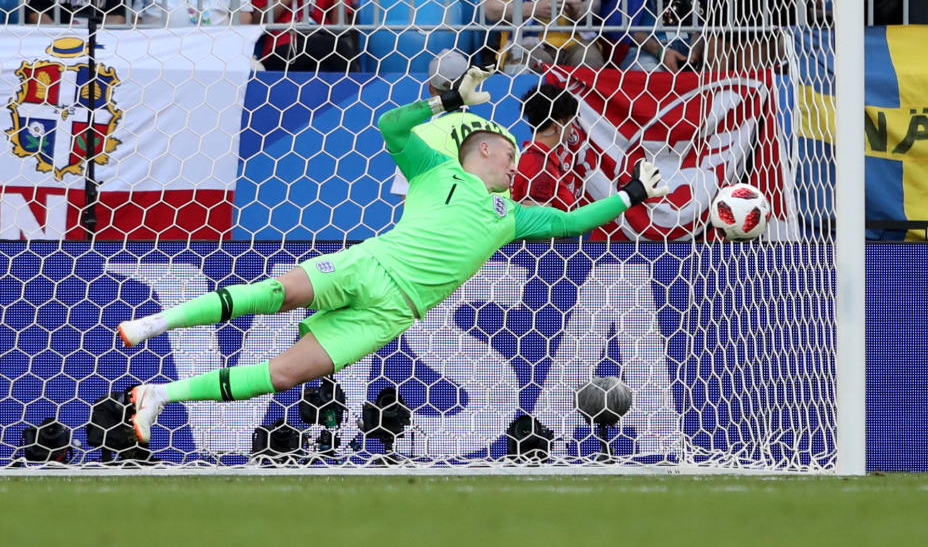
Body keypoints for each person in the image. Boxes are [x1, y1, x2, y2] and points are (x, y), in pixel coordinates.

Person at [120, 66, 669, 443]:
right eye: (508, 155)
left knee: (286, 375)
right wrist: (449, 100)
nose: (514, 166)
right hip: (371, 264)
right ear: (482, 148)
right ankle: (152, 324)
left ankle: (159, 394)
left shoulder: (512, 216)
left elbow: (573, 222)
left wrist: (632, 196)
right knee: (278, 295)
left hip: (392, 313)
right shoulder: (434, 170)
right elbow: (390, 126)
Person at [389, 49, 518, 198]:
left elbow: (407, 197)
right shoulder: (505, 136)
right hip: (497, 219)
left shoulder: (419, 135)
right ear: (473, 83)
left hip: (443, 220)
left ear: (430, 87)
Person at [512, 83, 585, 211]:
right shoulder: (539, 167)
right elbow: (536, 224)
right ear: (559, 124)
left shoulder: (537, 158)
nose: (572, 129)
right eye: (571, 122)